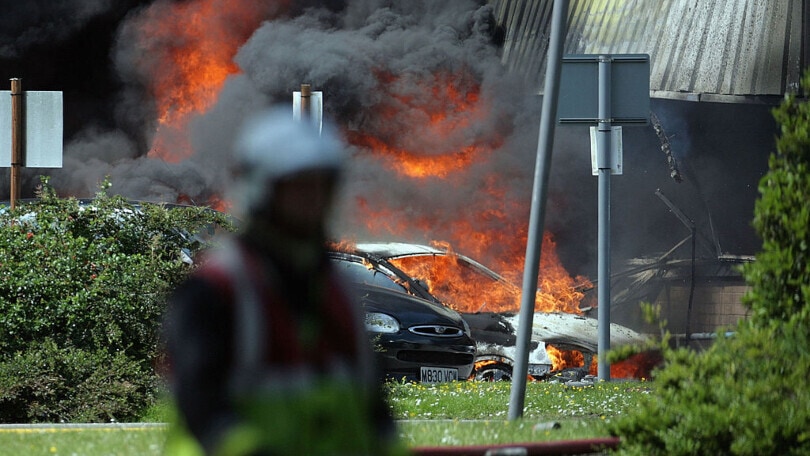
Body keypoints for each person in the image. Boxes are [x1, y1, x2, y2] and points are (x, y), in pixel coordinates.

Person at [162, 107, 406, 456]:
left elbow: (375, 415)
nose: (313, 200)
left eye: (322, 186)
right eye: (299, 187)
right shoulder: (214, 292)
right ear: (262, 190)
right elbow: (202, 406)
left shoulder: (340, 292)